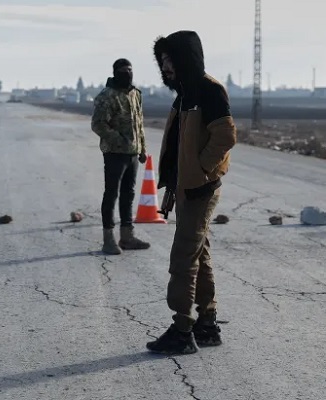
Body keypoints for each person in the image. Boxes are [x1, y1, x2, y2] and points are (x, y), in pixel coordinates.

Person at [146, 31, 236, 355]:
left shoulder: (209, 90)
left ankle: (182, 331)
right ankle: (207, 324)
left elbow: (225, 136)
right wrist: (176, 181)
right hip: (186, 187)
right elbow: (179, 144)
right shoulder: (184, 93)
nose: (165, 67)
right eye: (162, 61)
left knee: (183, 258)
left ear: (186, 58)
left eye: (170, 60)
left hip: (200, 188)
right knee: (200, 254)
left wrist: (201, 170)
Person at [91, 58, 151, 255]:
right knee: (111, 194)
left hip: (132, 153)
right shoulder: (107, 96)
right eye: (124, 71)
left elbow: (139, 123)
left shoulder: (135, 94)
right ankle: (108, 239)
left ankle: (127, 236)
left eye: (130, 70)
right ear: (115, 73)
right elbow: (98, 124)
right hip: (114, 153)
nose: (128, 74)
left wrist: (142, 148)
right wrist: (119, 140)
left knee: (128, 194)